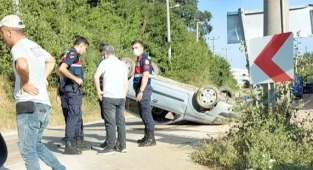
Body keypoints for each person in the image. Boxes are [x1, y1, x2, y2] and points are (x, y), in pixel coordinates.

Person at [0, 14, 65, 170]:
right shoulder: (34, 46)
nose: (2, 38)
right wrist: (42, 77)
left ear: (9, 31)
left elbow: (21, 65)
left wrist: (25, 81)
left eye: (1, 33)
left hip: (28, 106)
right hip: (44, 106)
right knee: (36, 145)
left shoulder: (17, 47)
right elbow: (51, 60)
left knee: (28, 150)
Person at [94, 44, 128, 155]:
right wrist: (124, 94)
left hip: (109, 96)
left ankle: (110, 147)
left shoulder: (105, 63)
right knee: (121, 122)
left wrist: (99, 91)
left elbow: (96, 76)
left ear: (105, 53)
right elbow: (125, 81)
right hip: (121, 96)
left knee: (110, 123)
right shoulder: (122, 64)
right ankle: (122, 146)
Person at [59, 36, 90, 155]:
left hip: (71, 90)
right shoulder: (72, 53)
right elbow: (62, 68)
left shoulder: (70, 54)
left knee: (76, 116)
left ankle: (77, 142)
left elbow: (59, 70)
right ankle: (69, 144)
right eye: (85, 48)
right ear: (81, 45)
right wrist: (76, 79)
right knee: (73, 117)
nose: (85, 51)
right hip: (73, 90)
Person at [131, 40, 156, 147]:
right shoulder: (139, 59)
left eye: (136, 47)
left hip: (144, 89)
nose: (134, 50)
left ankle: (151, 138)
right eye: (133, 48)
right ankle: (147, 136)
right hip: (140, 88)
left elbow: (145, 76)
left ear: (142, 48)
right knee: (143, 113)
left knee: (146, 113)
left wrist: (141, 91)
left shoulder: (145, 60)